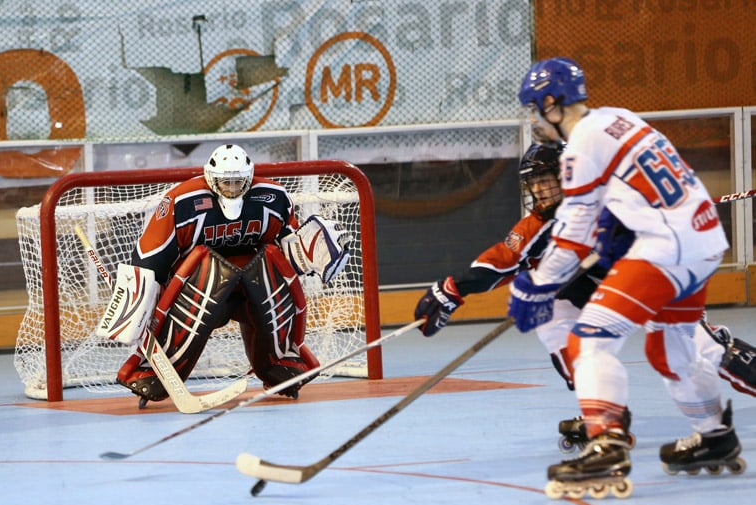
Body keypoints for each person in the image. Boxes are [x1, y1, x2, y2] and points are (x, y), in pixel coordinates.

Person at [414, 142, 756, 453]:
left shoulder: (611, 195)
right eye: (533, 184)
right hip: (604, 289)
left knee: (703, 350)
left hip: (657, 276)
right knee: (553, 312)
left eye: (545, 180)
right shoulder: (541, 223)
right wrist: (452, 289)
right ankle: (604, 413)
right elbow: (504, 259)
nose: (538, 190)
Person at [508, 57, 744, 498]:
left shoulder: (580, 144)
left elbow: (574, 227)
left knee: (589, 339)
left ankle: (606, 445)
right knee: (669, 350)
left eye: (535, 108)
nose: (534, 119)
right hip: (704, 240)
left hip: (666, 249)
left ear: (553, 103)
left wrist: (537, 283)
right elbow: (652, 179)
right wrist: (618, 222)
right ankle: (715, 436)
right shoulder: (619, 118)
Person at [95, 144, 351, 406]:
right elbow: (149, 261)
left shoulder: (274, 198)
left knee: (270, 260)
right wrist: (135, 308)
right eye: (224, 182)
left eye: (238, 181)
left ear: (249, 177)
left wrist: (308, 248)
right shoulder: (182, 202)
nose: (231, 187)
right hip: (198, 287)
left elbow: (289, 249)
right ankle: (156, 370)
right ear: (210, 177)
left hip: (255, 288)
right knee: (207, 264)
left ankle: (280, 363)